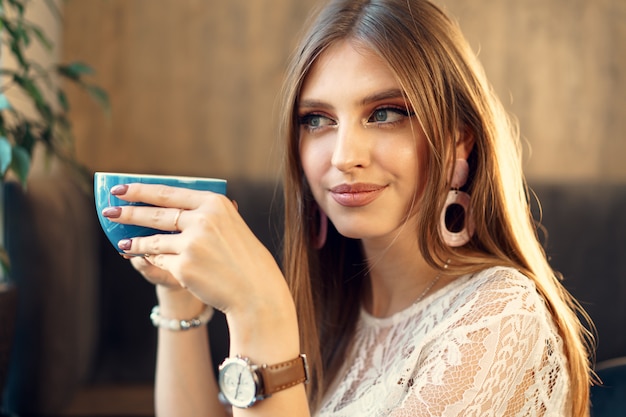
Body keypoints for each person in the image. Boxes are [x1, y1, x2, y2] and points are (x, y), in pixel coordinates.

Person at [101, 0, 595, 415]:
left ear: (459, 145)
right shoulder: (333, 309)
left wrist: (260, 312)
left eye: (384, 114)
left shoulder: (502, 317)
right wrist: (181, 301)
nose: (343, 157)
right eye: (317, 120)